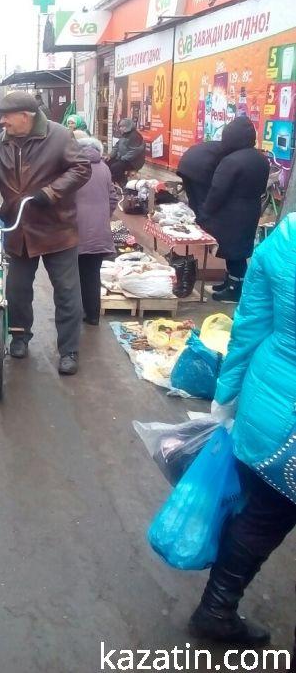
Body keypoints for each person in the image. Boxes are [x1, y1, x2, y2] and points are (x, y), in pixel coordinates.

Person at [188, 211, 296, 661]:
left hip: (269, 405)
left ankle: (216, 609)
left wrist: (226, 399)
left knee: (260, 516)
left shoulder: (286, 237)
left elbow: (249, 326)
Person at [0, 91, 92, 376]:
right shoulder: (0, 142)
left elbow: (81, 168)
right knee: (17, 290)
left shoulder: (58, 136)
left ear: (26, 116)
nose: (1, 121)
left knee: (67, 293)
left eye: (6, 116)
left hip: (56, 227)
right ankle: (19, 336)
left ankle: (69, 351)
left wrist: (51, 193)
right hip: (18, 227)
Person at [199, 116, 269, 303]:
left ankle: (235, 288)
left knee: (232, 251)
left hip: (231, 213)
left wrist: (205, 212)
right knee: (240, 248)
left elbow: (217, 190)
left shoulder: (231, 161)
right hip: (251, 208)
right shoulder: (261, 159)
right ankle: (230, 282)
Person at [73, 134, 120, 326]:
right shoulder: (104, 168)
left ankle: (74, 314)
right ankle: (92, 315)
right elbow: (113, 198)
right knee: (92, 274)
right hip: (99, 231)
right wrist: (102, 217)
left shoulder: (72, 168)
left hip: (74, 229)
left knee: (71, 275)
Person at [176, 140, 223, 223]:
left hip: (184, 165)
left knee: (193, 199)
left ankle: (194, 222)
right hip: (198, 170)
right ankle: (202, 226)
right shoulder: (229, 151)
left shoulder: (216, 145)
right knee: (203, 202)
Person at [106, 117, 145, 185]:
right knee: (107, 162)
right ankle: (111, 181)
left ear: (128, 126)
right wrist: (110, 155)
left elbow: (134, 152)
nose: (120, 128)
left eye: (122, 127)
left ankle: (123, 183)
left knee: (116, 167)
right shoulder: (124, 134)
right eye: (120, 126)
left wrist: (122, 158)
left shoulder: (135, 136)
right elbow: (117, 146)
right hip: (123, 158)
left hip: (134, 161)